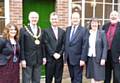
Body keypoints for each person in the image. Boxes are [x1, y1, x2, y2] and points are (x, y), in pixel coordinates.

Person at [19, 11, 46, 83]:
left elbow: (43, 45)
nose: (34, 19)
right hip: (27, 60)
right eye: (32, 17)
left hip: (38, 59)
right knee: (26, 80)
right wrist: (22, 59)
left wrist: (44, 57)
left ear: (38, 18)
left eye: (36, 17)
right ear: (29, 18)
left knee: (37, 80)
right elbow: (21, 46)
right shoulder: (23, 30)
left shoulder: (41, 30)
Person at [65, 12, 88, 83]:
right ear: (71, 19)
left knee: (77, 78)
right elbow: (67, 43)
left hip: (78, 59)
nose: (75, 19)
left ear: (79, 19)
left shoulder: (83, 30)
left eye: (76, 18)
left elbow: (85, 45)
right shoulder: (68, 29)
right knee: (72, 77)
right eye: (73, 18)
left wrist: (83, 59)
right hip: (69, 58)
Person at [43, 12, 65, 83]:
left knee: (58, 79)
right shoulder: (46, 31)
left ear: (58, 20)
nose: (54, 20)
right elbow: (46, 44)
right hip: (50, 59)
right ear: (50, 20)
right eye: (53, 19)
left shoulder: (62, 31)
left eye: (55, 19)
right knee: (48, 79)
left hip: (59, 59)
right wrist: (53, 54)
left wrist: (60, 54)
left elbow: (64, 44)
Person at [86, 18, 107, 83]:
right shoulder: (87, 33)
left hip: (99, 58)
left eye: (96, 23)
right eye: (92, 23)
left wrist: (103, 58)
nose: (94, 24)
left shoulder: (102, 33)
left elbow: (105, 46)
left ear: (98, 24)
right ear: (90, 24)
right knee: (92, 76)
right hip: (90, 58)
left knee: (99, 78)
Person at [102, 11, 120, 83]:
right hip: (106, 55)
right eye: (112, 15)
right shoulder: (105, 26)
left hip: (117, 55)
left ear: (118, 17)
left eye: (115, 15)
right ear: (109, 17)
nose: (113, 16)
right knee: (106, 76)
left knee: (117, 77)